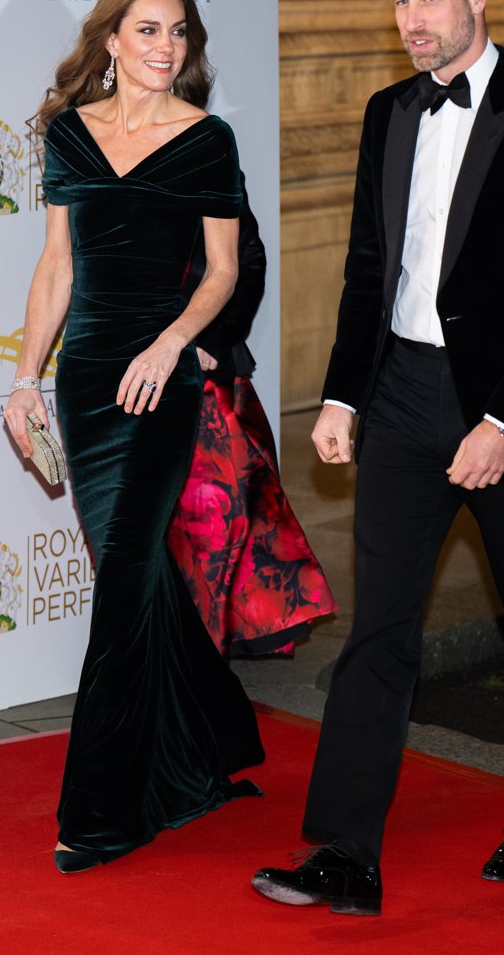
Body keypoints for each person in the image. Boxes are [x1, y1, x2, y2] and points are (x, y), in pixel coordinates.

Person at [252, 0, 504, 915]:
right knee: (380, 630)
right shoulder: (386, 113)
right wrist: (341, 392)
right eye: (400, 5)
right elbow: (373, 266)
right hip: (404, 396)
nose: (412, 23)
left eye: (429, 2)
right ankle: (346, 853)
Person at [4, 0, 264, 875]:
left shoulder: (206, 139)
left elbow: (225, 272)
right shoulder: (70, 135)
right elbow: (55, 270)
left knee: (119, 580)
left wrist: (174, 343)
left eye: (179, 33)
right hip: (86, 385)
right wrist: (26, 377)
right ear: (111, 39)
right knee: (142, 573)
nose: (166, 47)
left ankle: (104, 810)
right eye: (148, 30)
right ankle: (205, 740)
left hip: (159, 385)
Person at [167, 178, 337, 656]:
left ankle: (223, 632)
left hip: (206, 368)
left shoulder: (213, 154)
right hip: (131, 362)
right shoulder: (106, 146)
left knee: (226, 508)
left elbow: (249, 262)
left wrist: (212, 344)